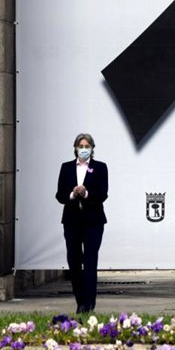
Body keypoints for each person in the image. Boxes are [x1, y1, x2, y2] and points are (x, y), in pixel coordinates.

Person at [55, 133, 108, 314]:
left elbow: (103, 193)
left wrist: (86, 193)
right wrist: (72, 193)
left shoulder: (100, 167)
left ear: (92, 148)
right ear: (75, 148)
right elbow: (60, 195)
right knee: (74, 260)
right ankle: (80, 300)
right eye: (81, 146)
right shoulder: (66, 167)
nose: (84, 149)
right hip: (72, 221)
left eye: (87, 146)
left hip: (93, 221)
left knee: (90, 261)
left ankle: (89, 302)